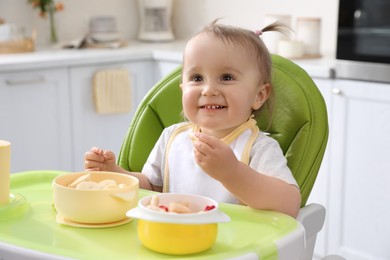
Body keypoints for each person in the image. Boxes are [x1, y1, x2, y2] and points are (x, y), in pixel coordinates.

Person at [84, 20, 301, 218]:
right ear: (182, 89)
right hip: (170, 239)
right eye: (197, 78)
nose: (208, 89)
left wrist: (232, 172)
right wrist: (116, 174)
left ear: (258, 95)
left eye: (227, 77)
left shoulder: (258, 148)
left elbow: (289, 204)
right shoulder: (172, 137)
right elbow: (151, 187)